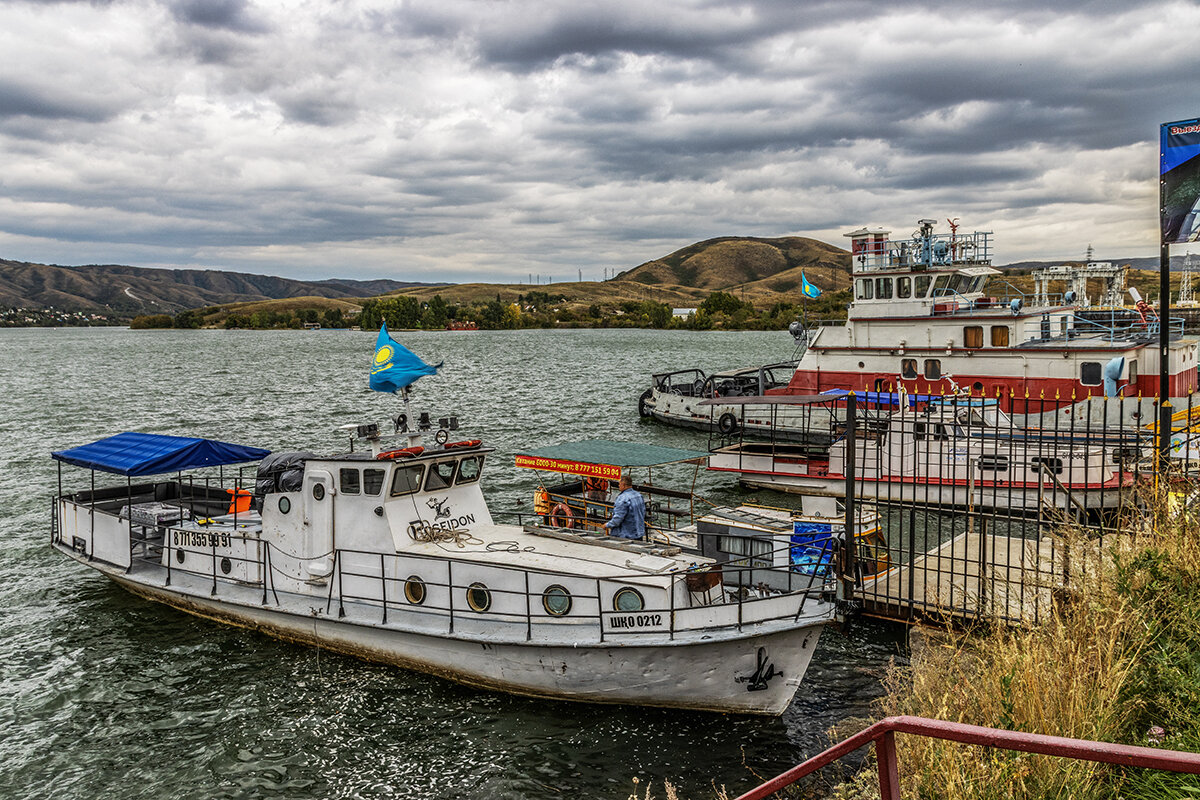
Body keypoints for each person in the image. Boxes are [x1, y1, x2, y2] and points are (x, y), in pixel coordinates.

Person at [604, 474, 645, 540]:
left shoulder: (622, 498)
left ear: (624, 485)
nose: (618, 486)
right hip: (639, 533)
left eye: (619, 484)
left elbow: (618, 518)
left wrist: (607, 525)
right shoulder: (639, 496)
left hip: (626, 535)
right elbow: (643, 512)